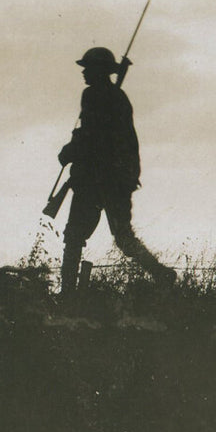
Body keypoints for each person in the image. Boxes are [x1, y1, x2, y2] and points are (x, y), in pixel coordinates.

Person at [57, 46, 175, 293]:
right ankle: (161, 274)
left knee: (75, 237)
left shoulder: (94, 96)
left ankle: (67, 293)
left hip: (96, 180)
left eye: (89, 68)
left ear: (100, 71)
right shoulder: (113, 98)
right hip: (115, 179)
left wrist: (70, 151)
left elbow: (92, 136)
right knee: (121, 237)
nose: (84, 73)